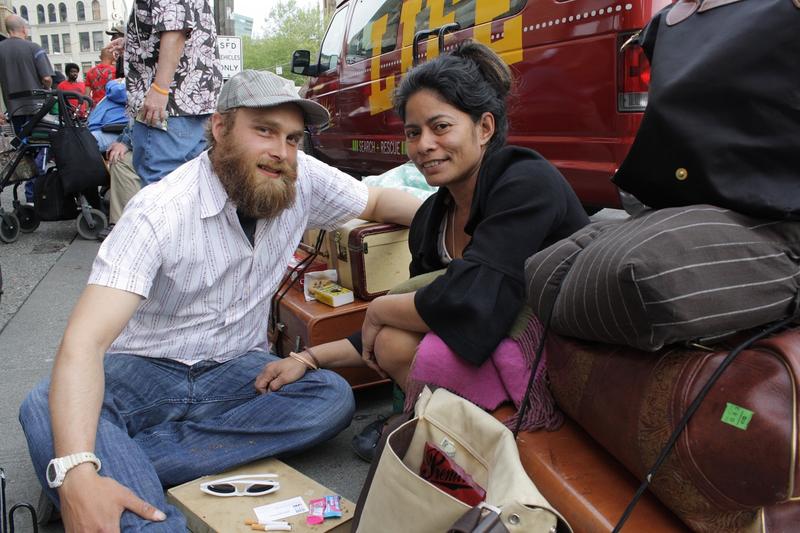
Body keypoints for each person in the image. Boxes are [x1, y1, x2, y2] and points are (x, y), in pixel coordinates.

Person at [18, 69, 420, 531]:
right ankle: (125, 495)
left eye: (292, 138)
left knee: (329, 397)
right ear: (220, 127)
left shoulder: (300, 174)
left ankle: (101, 467)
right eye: (264, 130)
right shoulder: (160, 209)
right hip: (149, 370)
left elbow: (377, 202)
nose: (281, 151)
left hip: (236, 371)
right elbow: (84, 342)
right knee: (45, 400)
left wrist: (460, 223)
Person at [257, 42, 590, 459]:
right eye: (414, 133)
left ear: (484, 128)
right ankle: (446, 432)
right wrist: (306, 359)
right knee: (395, 337)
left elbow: (472, 301)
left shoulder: (526, 183)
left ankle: (471, 436)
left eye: (441, 127)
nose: (425, 145)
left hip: (557, 348)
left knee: (401, 331)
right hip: (487, 337)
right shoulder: (434, 215)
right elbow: (417, 314)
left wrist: (379, 309)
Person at [114, 0, 222, 186]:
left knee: (161, 194)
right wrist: (132, 42)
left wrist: (159, 88)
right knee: (192, 191)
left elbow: (175, 27)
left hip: (169, 107)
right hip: (195, 103)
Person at [0, 15, 53, 202]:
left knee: (25, 150)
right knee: (44, 148)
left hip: (14, 111)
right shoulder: (34, 48)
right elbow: (47, 78)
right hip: (37, 109)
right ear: (24, 29)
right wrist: (47, 88)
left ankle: (29, 197)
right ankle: (37, 193)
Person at [87, 77, 127, 152]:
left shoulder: (143, 83)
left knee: (78, 145)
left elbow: (119, 91)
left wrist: (112, 83)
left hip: (112, 131)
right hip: (99, 128)